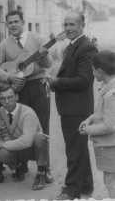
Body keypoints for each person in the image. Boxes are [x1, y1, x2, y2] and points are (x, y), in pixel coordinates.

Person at [0, 10, 53, 183]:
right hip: (18, 89)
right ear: (7, 25)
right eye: (10, 23)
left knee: (42, 128)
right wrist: (8, 76)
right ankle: (21, 167)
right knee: (17, 128)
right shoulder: (4, 44)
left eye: (16, 21)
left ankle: (45, 168)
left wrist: (44, 56)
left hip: (38, 85)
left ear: (23, 22)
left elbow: (49, 64)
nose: (13, 25)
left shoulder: (37, 39)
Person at [49, 12, 97, 200]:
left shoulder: (86, 47)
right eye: (66, 24)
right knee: (79, 147)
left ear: (82, 25)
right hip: (71, 107)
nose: (68, 28)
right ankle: (86, 184)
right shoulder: (72, 46)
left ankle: (71, 189)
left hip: (77, 108)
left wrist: (56, 82)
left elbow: (84, 80)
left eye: (72, 24)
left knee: (74, 149)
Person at [0, 87, 49, 190]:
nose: (6, 101)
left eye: (10, 97)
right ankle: (20, 166)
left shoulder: (27, 113)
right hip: (18, 146)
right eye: (3, 98)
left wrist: (3, 144)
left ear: (16, 97)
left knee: (39, 138)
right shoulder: (1, 111)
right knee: (2, 154)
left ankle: (42, 171)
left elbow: (27, 141)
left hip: (33, 148)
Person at [79, 50, 115, 198]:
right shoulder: (107, 87)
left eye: (93, 70)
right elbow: (102, 112)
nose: (92, 73)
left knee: (111, 181)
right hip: (109, 145)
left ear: (100, 71)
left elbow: (110, 125)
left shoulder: (111, 94)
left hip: (111, 146)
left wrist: (88, 130)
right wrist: (90, 118)